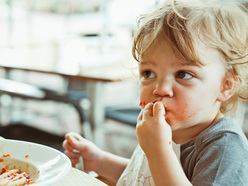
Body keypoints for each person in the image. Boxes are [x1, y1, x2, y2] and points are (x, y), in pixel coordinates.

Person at [63, 0, 248, 185]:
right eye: (148, 73)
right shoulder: (170, 129)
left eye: (183, 74)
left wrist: (158, 151)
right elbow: (145, 177)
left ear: (226, 86)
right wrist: (100, 162)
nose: (160, 89)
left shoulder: (225, 149)